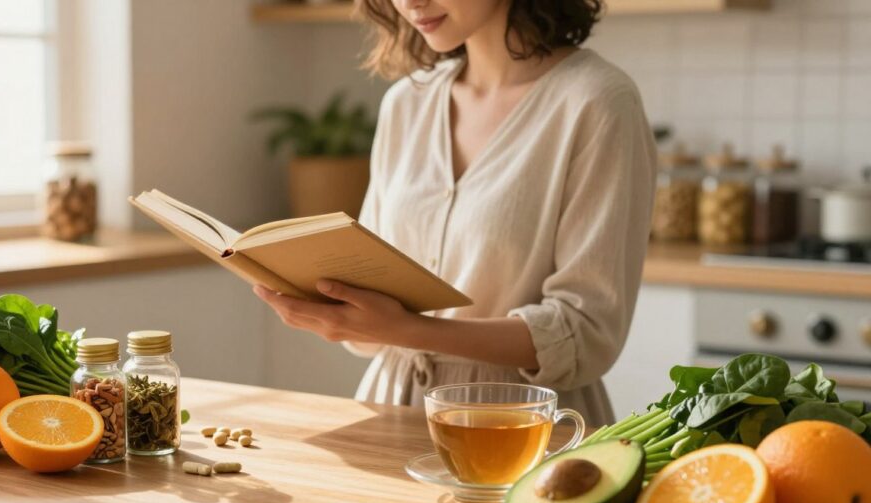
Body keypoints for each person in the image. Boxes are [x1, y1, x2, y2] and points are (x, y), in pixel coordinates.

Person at [254, 0, 656, 426]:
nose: (410, 2)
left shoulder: (597, 102)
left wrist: (401, 329)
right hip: (392, 412)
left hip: (523, 429)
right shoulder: (406, 103)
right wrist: (331, 300)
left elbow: (585, 334)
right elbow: (371, 301)